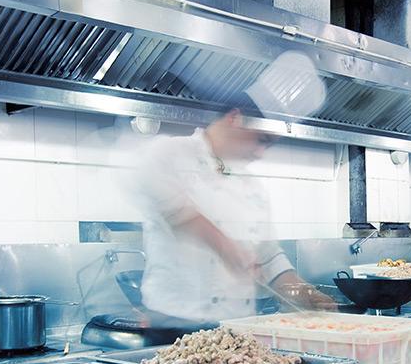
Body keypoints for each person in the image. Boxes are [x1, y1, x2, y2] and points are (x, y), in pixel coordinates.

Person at [133, 108, 332, 324]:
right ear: (235, 118)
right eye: (261, 140)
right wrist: (225, 246)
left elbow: (268, 256)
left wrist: (304, 293)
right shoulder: (169, 153)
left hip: (237, 329)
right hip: (171, 326)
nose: (260, 153)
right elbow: (167, 203)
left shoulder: (252, 186)